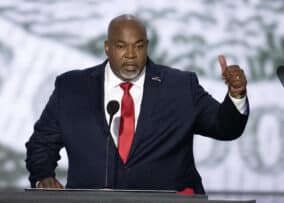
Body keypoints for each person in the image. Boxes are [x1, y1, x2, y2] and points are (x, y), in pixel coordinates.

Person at [25, 14, 249, 194]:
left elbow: (224, 126)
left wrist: (236, 95)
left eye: (139, 46)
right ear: (107, 47)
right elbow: (41, 144)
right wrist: (44, 177)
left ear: (147, 47)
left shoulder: (180, 87)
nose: (131, 55)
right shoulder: (72, 88)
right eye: (121, 46)